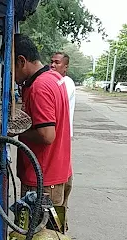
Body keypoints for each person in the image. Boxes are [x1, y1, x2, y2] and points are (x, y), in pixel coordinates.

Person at [14, 34, 72, 240]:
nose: (10, 74)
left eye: (10, 66)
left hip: (44, 175)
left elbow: (46, 134)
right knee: (49, 231)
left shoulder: (39, 87)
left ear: (22, 61)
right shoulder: (52, 79)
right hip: (55, 170)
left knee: (41, 236)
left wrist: (17, 133)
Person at [50, 52, 75, 230]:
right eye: (51, 62)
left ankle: (58, 231)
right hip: (62, 140)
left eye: (57, 63)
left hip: (60, 141)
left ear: (65, 67)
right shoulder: (59, 82)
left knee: (58, 192)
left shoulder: (64, 84)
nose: (52, 65)